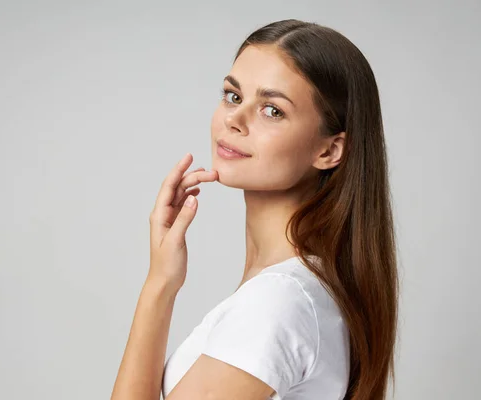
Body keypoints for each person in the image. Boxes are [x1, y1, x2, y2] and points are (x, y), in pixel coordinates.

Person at [110, 19, 399, 400]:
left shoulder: (277, 301)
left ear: (329, 150)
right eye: (233, 96)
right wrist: (162, 279)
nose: (234, 119)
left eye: (272, 110)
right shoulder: (300, 289)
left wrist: (158, 286)